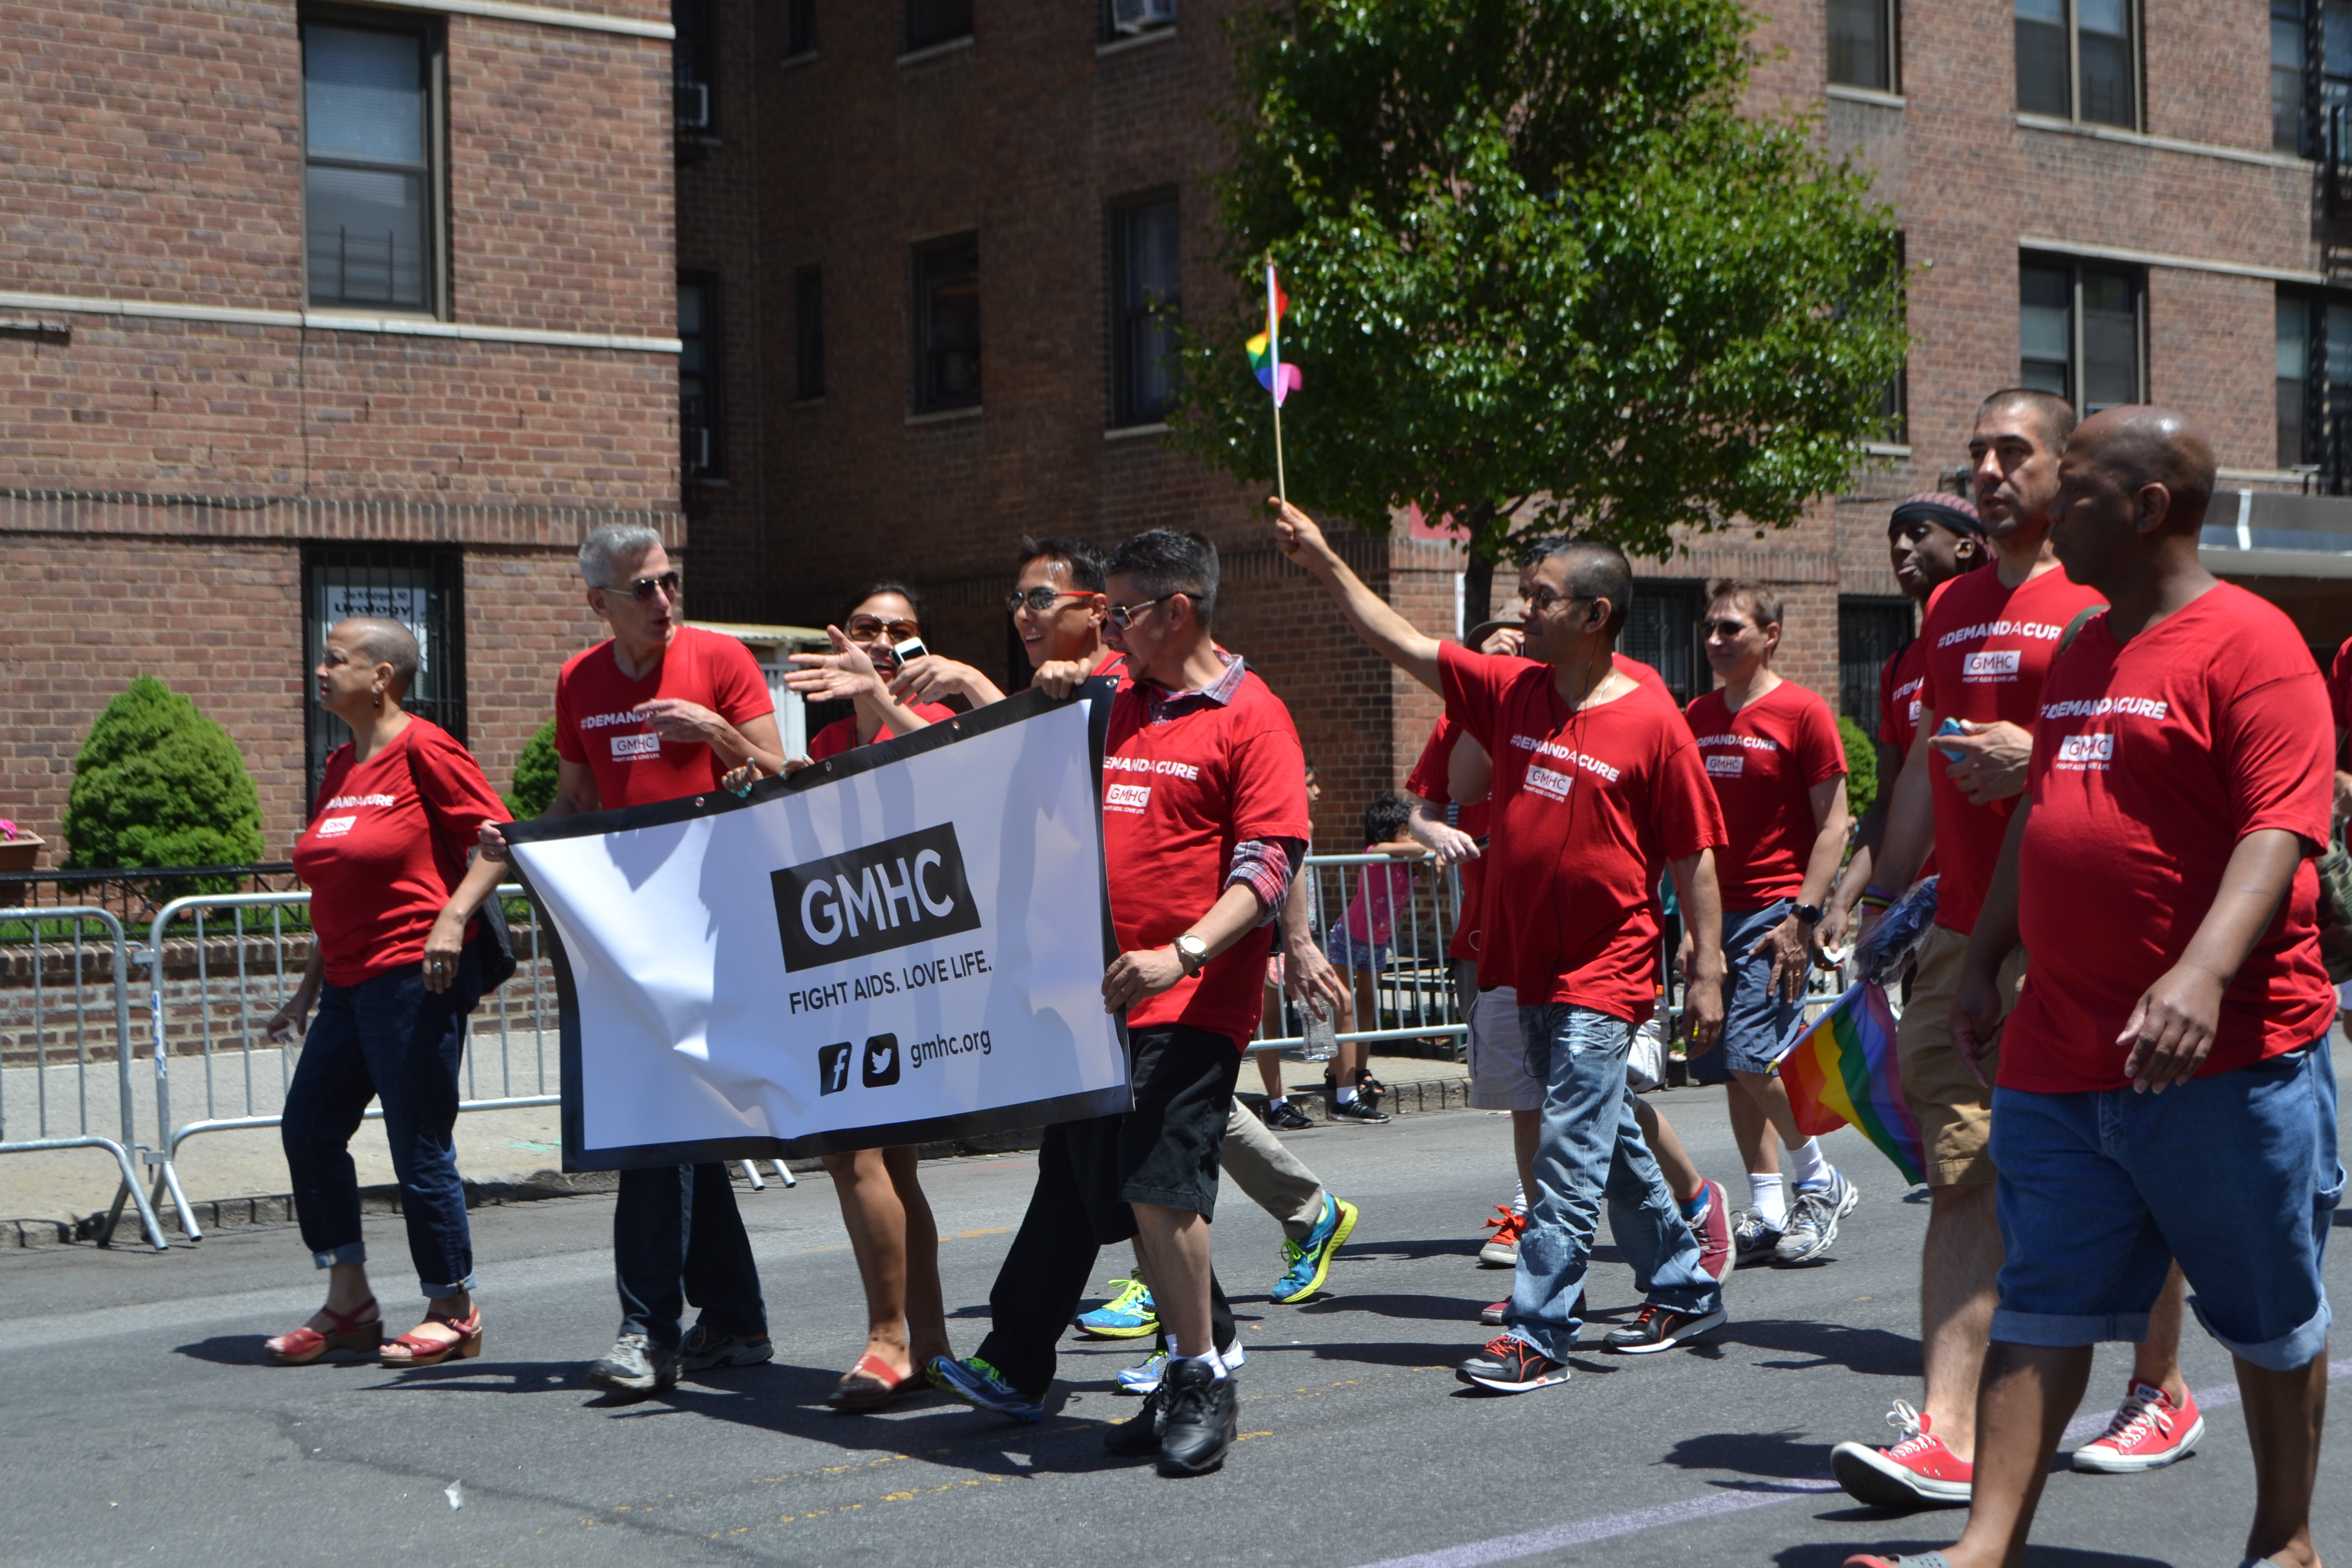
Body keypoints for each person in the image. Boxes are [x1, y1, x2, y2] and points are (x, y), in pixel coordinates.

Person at [1841, 408, 2337, 1568]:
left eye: (2075, 488)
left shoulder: (2253, 642)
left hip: (2226, 1056)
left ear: (2148, 507)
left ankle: (2284, 1538)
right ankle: (1983, 1547)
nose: (2050, 506)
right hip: (2060, 1046)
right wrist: (1988, 954)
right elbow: (2044, 812)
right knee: (2040, 1301)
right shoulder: (2081, 649)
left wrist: (2199, 972)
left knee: (2266, 1315)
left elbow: (2277, 831)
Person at [1274, 499, 1730, 1394]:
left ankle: (1539, 1331)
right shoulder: (1512, 689)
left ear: (1596, 614)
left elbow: (1694, 853)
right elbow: (1401, 642)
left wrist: (1705, 968)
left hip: (1607, 966)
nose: (1525, 612)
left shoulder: (1653, 718)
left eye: (1542, 598)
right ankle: (1683, 1285)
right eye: (1525, 594)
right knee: (1604, 1137)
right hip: (1525, 963)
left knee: (1566, 1149)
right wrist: (1323, 559)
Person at [1835, 390, 2195, 1506]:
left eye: (2013, 453)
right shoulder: (1947, 608)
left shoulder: (2102, 595)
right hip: (1964, 934)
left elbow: (2148, 756)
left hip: (2088, 936)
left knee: (2135, 1168)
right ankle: (1945, 1431)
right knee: (1963, 1174)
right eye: (1977, 455)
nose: (1989, 472)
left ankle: (2160, 1386)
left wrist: (2032, 754)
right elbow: (1923, 769)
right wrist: (1877, 898)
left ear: (2066, 470)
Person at [931, 528, 1311, 1478]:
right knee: (1104, 1189)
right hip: (1095, 1001)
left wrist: (1181, 954)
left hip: (1191, 1000)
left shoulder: (1253, 716)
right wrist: (1047, 697)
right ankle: (1181, 1360)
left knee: (1156, 1186)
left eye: (1124, 613)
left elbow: (1268, 864)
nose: (1109, 630)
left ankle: (1200, 1379)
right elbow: (1014, 769)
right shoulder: (1112, 697)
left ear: (1178, 612)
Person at [488, 525, 788, 1396]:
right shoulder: (579, 681)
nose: (663, 600)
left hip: (715, 927)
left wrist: (715, 732)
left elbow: (780, 776)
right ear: (599, 602)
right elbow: (577, 799)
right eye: (642, 588)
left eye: (668, 581)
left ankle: (648, 1331)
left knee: (656, 1126)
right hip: (630, 934)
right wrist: (520, 840)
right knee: (679, 1128)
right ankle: (735, 1319)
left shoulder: (720, 660)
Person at [262, 617, 511, 1368]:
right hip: (345, 986)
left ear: (382, 677)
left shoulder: (426, 748)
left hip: (413, 979)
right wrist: (304, 994)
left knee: (418, 1144)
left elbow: (497, 839)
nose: (320, 670)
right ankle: (350, 1303)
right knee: (309, 1130)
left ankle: (454, 1307)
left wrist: (452, 919)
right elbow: (339, 888)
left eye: (335, 659)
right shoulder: (340, 765)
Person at [742, 582, 969, 1406]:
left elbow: (948, 777)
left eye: (897, 629)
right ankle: (930, 1342)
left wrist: (879, 696)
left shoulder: (934, 719)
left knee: (852, 1153)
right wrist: (758, 776)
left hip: (914, 966)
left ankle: (889, 1340)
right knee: (889, 1163)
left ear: (919, 643)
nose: (878, 639)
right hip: (840, 962)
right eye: (866, 627)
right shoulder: (832, 737)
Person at [1682, 582, 1858, 1266]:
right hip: (1713, 911)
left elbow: (1835, 825)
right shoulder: (1697, 715)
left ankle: (1820, 1181)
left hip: (1774, 910)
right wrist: (1691, 930)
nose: (1715, 640)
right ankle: (1768, 1207)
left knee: (1752, 1053)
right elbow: (1686, 830)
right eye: (1709, 628)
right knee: (1730, 1066)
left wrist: (1803, 916)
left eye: (1731, 628)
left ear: (1771, 634)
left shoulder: (1802, 712)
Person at [1821, 493, 1988, 953]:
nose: (1900, 548)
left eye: (1917, 534)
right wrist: (1845, 903)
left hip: (1993, 901)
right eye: (1894, 537)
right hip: (1916, 910)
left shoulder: (1996, 645)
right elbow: (1889, 800)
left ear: (1966, 546)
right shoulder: (1898, 668)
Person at [1321, 790, 1431, 1124]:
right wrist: (1424, 845)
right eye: (1406, 830)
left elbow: (1422, 854)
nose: (1412, 837)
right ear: (1388, 832)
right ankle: (1338, 1074)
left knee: (1367, 1003)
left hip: (1377, 942)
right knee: (1343, 1006)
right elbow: (1414, 848)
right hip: (1348, 937)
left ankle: (1358, 1070)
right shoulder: (1376, 854)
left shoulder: (1406, 863)